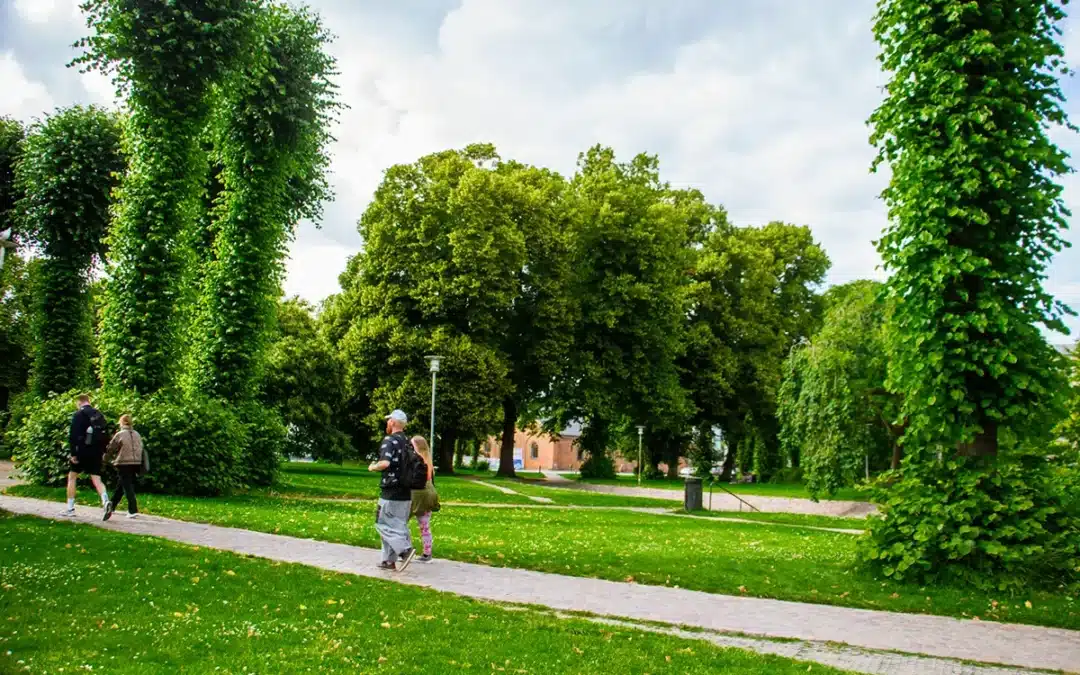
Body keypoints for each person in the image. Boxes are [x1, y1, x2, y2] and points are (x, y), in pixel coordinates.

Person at [368, 409, 416, 571]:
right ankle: (388, 561)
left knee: (382, 524)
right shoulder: (408, 442)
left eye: (389, 420)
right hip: (406, 491)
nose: (387, 423)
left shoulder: (390, 440)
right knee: (398, 525)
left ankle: (404, 551)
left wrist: (373, 467)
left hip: (391, 490)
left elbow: (385, 463)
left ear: (393, 422)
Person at [61, 394, 111, 517]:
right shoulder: (98, 414)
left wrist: (73, 453)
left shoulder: (78, 415)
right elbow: (106, 434)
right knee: (97, 478)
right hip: (96, 451)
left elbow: (73, 435)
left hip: (81, 451)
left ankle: (70, 508)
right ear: (89, 401)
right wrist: (103, 451)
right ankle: (105, 501)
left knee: (72, 477)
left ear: (79, 402)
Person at [103, 414, 147, 521]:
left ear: (121, 423)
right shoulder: (137, 434)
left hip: (123, 463)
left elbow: (111, 448)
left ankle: (133, 510)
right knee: (121, 485)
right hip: (136, 463)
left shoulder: (120, 434)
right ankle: (112, 506)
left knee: (127, 486)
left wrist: (105, 459)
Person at [409, 436, 440, 562]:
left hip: (417, 496)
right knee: (425, 526)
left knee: (401, 523)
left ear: (417, 447)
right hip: (429, 496)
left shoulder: (417, 461)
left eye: (412, 446)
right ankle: (427, 553)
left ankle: (404, 550)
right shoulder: (428, 460)